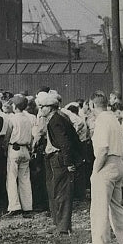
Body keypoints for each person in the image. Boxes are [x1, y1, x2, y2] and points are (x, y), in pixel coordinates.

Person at [88, 92, 123, 244]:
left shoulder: (102, 121)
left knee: (99, 210)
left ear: (92, 105)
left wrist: (95, 172)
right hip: (118, 162)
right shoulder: (114, 119)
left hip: (106, 165)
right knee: (116, 209)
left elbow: (103, 150)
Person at [36, 91, 81, 236]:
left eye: (43, 106)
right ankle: (59, 224)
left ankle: (62, 227)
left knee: (62, 192)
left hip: (59, 159)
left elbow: (65, 144)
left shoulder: (55, 121)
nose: (40, 109)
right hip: (54, 157)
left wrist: (68, 163)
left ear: (50, 107)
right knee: (56, 192)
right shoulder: (57, 118)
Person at [5, 94, 35, 217]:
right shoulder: (28, 119)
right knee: (25, 178)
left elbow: (8, 135)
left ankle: (14, 206)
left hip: (14, 148)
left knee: (12, 178)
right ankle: (27, 206)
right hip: (25, 149)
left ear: (15, 106)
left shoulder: (12, 119)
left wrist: (4, 146)